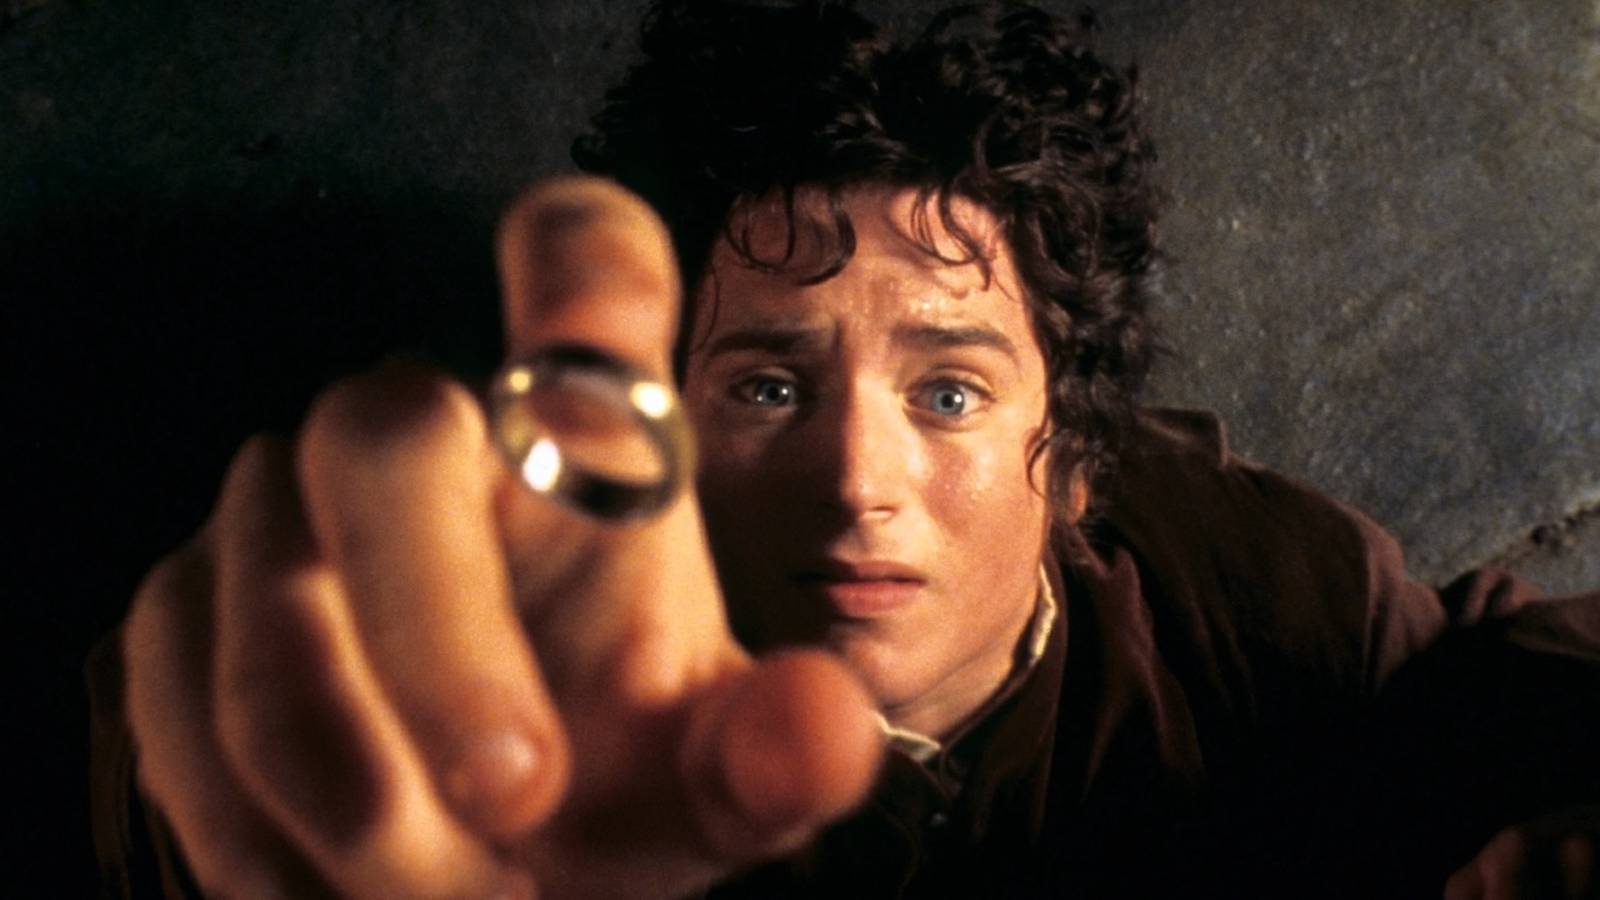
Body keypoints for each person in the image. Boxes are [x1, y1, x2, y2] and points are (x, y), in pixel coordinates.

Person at [93, 1, 1600, 897]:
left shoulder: (1260, 598)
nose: (856, 483)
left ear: (1079, 456)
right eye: (766, 388)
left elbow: (1509, 688)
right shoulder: (533, 690)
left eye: (947, 395)